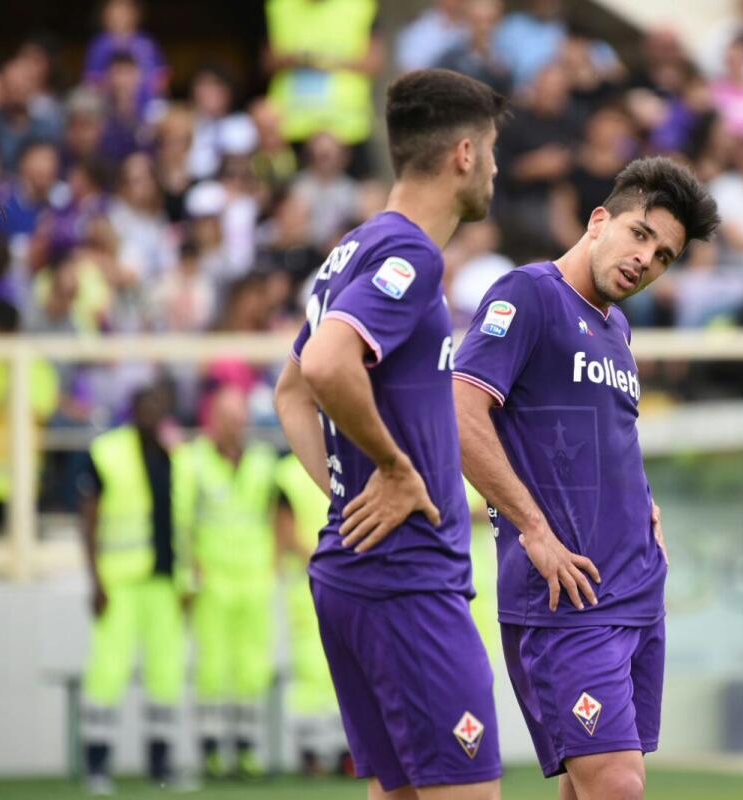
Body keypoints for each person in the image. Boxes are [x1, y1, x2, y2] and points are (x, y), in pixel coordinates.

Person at [272, 68, 507, 800]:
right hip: (406, 582)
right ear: (465, 153)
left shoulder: (350, 249)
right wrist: (395, 470)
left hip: (359, 571)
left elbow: (290, 394)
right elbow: (322, 365)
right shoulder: (412, 255)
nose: (497, 167)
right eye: (494, 150)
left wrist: (349, 496)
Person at [452, 157, 719, 799]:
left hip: (634, 591)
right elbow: (460, 413)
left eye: (663, 257)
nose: (645, 261)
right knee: (619, 784)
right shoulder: (530, 295)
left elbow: (610, 437)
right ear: (599, 220)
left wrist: (648, 507)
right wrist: (535, 532)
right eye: (639, 234)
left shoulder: (617, 327)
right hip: (567, 596)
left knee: (590, 786)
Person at [78, 385, 186, 794]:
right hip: (120, 582)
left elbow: (182, 523)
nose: (152, 412)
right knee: (108, 673)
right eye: (146, 406)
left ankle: (161, 766)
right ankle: (97, 766)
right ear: (133, 409)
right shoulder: (108, 451)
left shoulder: (174, 455)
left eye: (159, 406)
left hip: (163, 583)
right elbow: (88, 520)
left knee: (165, 676)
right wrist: (96, 580)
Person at [175, 385, 279, 779]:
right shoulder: (193, 461)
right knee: (212, 667)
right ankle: (212, 752)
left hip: (254, 580)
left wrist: (272, 566)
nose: (237, 426)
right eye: (229, 419)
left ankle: (247, 751)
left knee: (252, 666)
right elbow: (183, 523)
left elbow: (273, 514)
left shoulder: (263, 461)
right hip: (213, 581)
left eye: (241, 419)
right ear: (212, 421)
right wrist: (188, 577)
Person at [275, 452, 344, 777]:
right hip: (309, 584)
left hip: (344, 580)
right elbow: (284, 533)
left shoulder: (349, 462)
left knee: (347, 668)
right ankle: (310, 752)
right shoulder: (287, 472)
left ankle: (347, 751)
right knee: (311, 669)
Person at [263, 0, 383, 175]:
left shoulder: (361, 6)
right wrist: (296, 59)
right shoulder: (279, 6)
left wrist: (328, 61)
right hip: (293, 126)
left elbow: (374, 62)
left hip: (348, 127)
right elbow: (267, 62)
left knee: (368, 194)